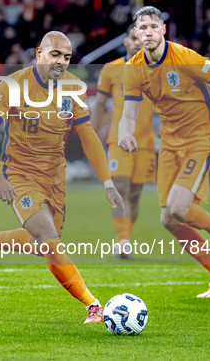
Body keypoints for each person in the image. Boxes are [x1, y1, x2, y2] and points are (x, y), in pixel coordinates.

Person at [0, 31, 126, 324]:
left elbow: (87, 134)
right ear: (39, 54)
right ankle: (93, 305)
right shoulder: (12, 85)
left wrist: (107, 182)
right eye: (55, 55)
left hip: (55, 175)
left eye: (67, 57)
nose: (61, 62)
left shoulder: (73, 87)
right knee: (48, 239)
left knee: (43, 245)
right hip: (20, 173)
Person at [118, 6, 210, 298]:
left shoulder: (184, 58)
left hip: (201, 138)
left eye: (154, 26)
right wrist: (124, 130)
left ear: (164, 30)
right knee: (168, 220)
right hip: (169, 143)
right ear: (136, 34)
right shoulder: (133, 68)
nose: (148, 32)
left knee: (179, 208)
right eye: (142, 28)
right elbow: (129, 111)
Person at [92, 22, 155, 258]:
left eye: (141, 37)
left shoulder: (155, 70)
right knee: (120, 188)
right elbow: (99, 104)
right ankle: (123, 240)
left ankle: (126, 235)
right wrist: (92, 134)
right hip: (118, 140)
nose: (137, 41)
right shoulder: (110, 69)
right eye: (133, 37)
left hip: (146, 141)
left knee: (136, 193)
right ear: (126, 41)